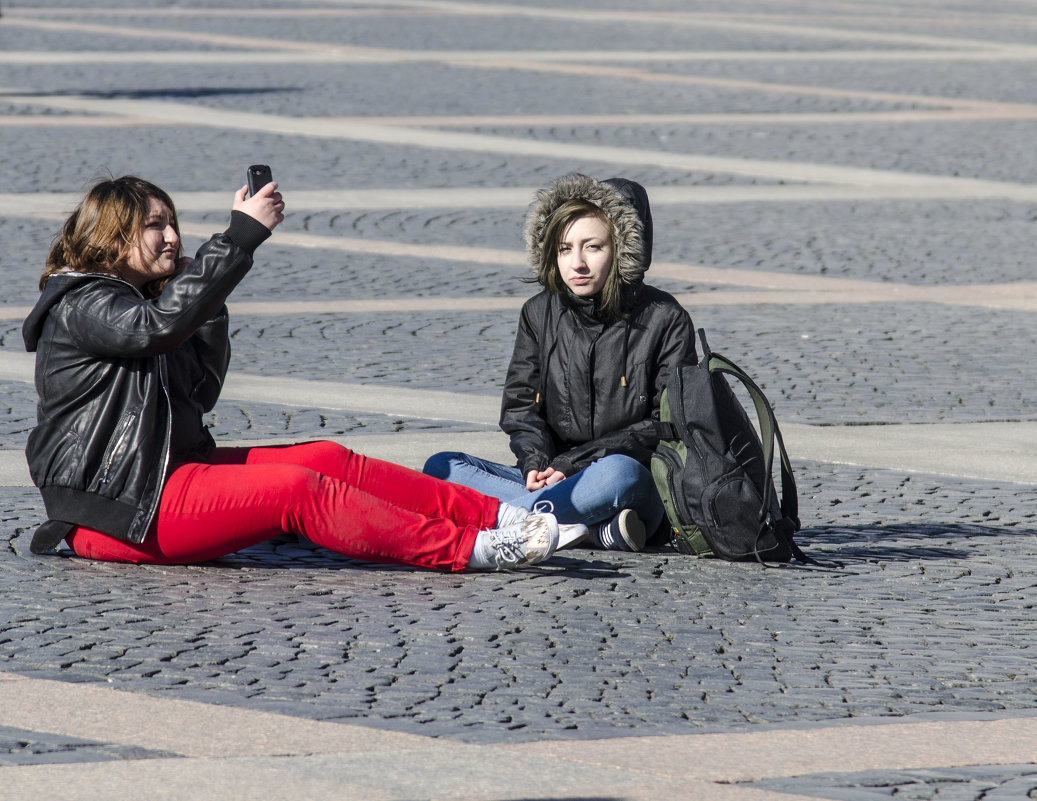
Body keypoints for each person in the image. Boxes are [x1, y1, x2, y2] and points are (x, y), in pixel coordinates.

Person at [22, 175, 584, 572]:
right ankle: (470, 550)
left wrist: (208, 303)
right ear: (114, 236)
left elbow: (201, 390)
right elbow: (156, 329)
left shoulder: (142, 302)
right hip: (119, 511)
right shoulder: (82, 302)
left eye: (172, 223)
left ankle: (507, 518)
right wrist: (238, 239)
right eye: (154, 226)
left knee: (325, 458)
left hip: (163, 477)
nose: (172, 237)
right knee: (298, 489)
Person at [423, 173, 696, 551]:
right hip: (553, 478)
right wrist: (534, 462)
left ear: (623, 249)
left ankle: (502, 527)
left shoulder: (665, 318)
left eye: (593, 247)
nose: (577, 263)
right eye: (565, 248)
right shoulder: (539, 312)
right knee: (442, 466)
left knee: (621, 474)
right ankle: (596, 531)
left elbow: (668, 425)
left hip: (631, 481)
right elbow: (521, 406)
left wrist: (576, 462)